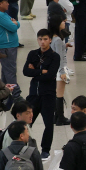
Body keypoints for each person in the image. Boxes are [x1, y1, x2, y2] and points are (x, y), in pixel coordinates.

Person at [23, 29, 59, 159]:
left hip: (48, 95)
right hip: (33, 94)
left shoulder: (55, 56)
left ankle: (45, 150)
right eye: (40, 39)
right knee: (26, 123)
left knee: (49, 124)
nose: (42, 42)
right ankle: (25, 146)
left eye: (45, 39)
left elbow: (50, 75)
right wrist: (41, 71)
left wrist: (36, 71)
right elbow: (25, 71)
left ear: (50, 40)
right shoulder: (33, 54)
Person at [0, 0, 21, 85]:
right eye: (6, 2)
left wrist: (15, 23)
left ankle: (5, 93)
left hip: (10, 45)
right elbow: (13, 27)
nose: (8, 4)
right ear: (0, 4)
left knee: (6, 71)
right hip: (7, 46)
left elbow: (16, 23)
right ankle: (16, 94)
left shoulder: (3, 14)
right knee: (10, 71)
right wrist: (15, 23)